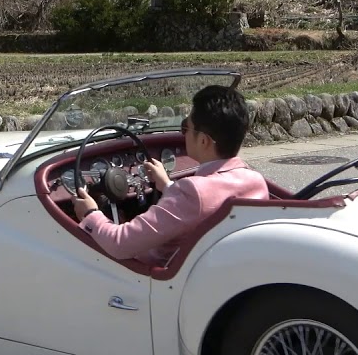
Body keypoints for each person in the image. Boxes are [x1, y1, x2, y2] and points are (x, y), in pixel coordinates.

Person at [73, 85, 270, 267]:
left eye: (186, 126)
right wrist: (168, 186)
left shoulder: (192, 192)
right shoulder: (255, 181)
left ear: (203, 141)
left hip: (149, 276)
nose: (182, 133)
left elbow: (120, 243)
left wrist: (91, 214)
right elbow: (204, 205)